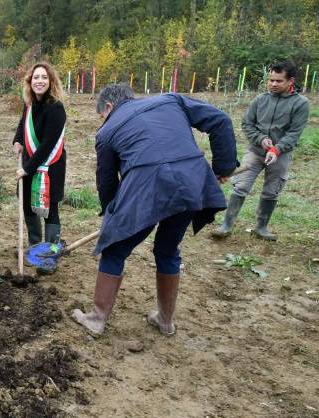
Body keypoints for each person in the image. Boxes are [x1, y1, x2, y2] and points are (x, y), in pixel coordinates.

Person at [72, 84, 238, 336]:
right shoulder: (171, 100)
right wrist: (223, 166)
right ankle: (165, 320)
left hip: (147, 187)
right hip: (191, 183)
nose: (102, 121)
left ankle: (97, 318)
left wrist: (111, 215)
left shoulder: (106, 131)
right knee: (167, 249)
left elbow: (106, 182)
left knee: (115, 250)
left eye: (101, 116)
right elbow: (220, 120)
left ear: (108, 107)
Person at [212, 60, 310, 241]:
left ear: (290, 81)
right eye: (271, 80)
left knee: (272, 191)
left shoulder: (300, 103)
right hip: (256, 151)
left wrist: (277, 149)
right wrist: (260, 139)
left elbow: (294, 133)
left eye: (278, 81)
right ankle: (226, 225)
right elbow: (247, 124)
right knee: (241, 185)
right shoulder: (260, 100)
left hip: (280, 155)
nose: (273, 84)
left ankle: (261, 228)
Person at [12, 61, 67, 274]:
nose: (40, 81)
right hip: (29, 162)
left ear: (51, 81)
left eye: (44, 77)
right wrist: (17, 141)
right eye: (36, 77)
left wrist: (27, 169)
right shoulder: (30, 104)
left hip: (50, 166)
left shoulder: (56, 108)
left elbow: (47, 146)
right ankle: (36, 249)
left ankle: (50, 257)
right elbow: (22, 125)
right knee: (27, 204)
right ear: (30, 81)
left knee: (49, 209)